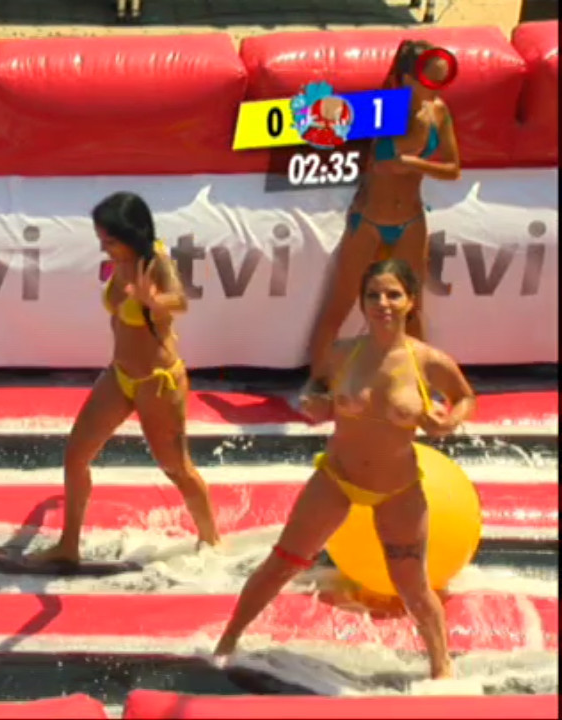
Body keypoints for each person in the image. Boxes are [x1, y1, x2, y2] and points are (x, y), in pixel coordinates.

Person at [213, 259, 477, 680]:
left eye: (393, 294)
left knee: (412, 586)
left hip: (397, 488)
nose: (382, 303)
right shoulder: (341, 353)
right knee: (282, 563)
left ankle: (441, 669)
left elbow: (464, 397)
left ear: (410, 301)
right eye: (373, 295)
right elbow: (316, 386)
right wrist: (313, 402)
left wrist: (448, 421)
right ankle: (225, 644)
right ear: (362, 302)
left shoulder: (427, 361)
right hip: (338, 478)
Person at [28, 191, 222, 569]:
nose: (104, 247)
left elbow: (180, 302)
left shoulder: (156, 261)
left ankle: (211, 540)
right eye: (101, 239)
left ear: (132, 235)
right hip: (120, 376)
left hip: (158, 383)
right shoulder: (120, 262)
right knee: (76, 455)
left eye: (110, 240)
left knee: (176, 468)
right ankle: (68, 545)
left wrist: (154, 302)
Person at [308, 39, 463, 374]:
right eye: (430, 80)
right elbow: (317, 125)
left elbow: (453, 169)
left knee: (413, 309)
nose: (436, 88)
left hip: (411, 219)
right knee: (340, 305)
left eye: (441, 80)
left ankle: (417, 383)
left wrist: (413, 163)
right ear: (407, 78)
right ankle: (318, 385)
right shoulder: (382, 111)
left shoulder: (438, 111)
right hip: (369, 220)